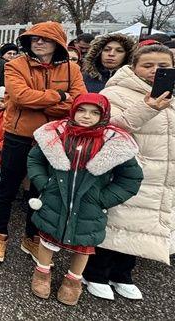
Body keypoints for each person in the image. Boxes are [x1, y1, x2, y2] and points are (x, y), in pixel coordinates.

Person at [27, 93, 142, 306]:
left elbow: (130, 178)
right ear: (73, 111)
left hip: (89, 206)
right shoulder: (57, 135)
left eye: (94, 112)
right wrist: (44, 184)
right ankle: (42, 272)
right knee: (47, 237)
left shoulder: (113, 143)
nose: (86, 116)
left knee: (84, 245)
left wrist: (103, 199)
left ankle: (73, 280)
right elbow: (35, 159)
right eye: (81, 110)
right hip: (55, 200)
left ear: (103, 115)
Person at [0, 21, 87, 264]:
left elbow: (80, 102)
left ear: (58, 43)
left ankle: (31, 237)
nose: (38, 42)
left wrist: (44, 104)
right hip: (19, 136)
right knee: (7, 188)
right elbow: (20, 97)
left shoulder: (72, 70)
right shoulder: (15, 65)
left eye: (45, 38)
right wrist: (59, 96)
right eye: (34, 38)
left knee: (42, 190)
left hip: (53, 138)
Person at [82, 44, 175, 300]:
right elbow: (106, 127)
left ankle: (123, 274)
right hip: (126, 170)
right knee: (115, 222)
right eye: (148, 65)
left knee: (141, 226)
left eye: (163, 66)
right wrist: (148, 108)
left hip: (160, 173)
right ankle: (95, 272)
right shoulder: (116, 92)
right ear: (133, 67)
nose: (155, 71)